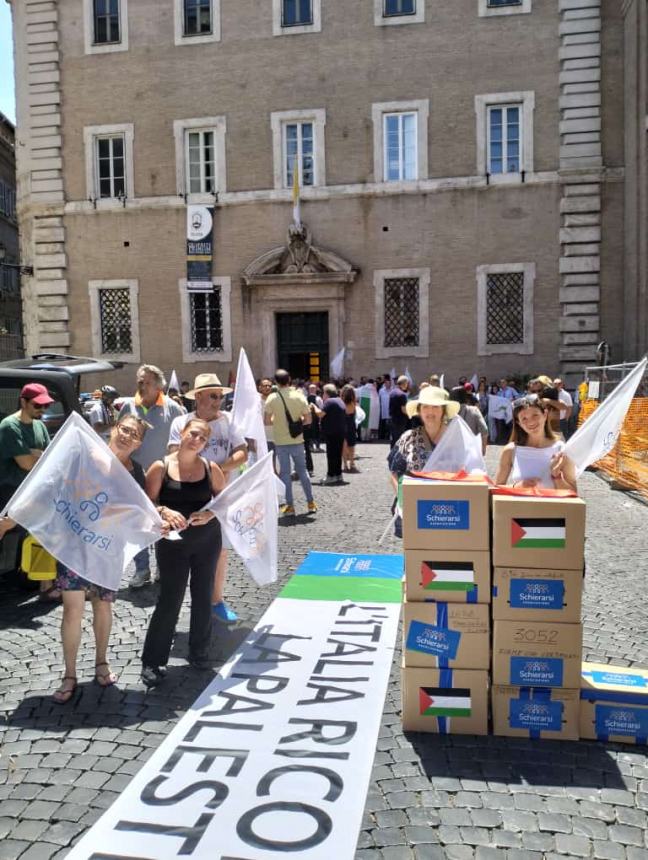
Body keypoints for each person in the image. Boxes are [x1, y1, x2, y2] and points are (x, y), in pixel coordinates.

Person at [49, 414, 152, 703]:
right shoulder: (86, 455)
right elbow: (56, 485)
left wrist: (160, 521)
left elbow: (141, 511)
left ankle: (101, 662)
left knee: (103, 607)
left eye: (134, 434)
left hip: (108, 548)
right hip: (75, 544)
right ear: (114, 429)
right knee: (72, 610)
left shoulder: (135, 472)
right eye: (124, 429)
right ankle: (69, 674)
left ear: (139, 443)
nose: (127, 436)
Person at [141, 418, 226, 687]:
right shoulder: (161, 467)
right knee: (170, 598)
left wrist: (210, 513)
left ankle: (199, 652)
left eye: (203, 438)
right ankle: (153, 661)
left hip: (207, 541)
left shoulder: (211, 468)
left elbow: (224, 501)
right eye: (193, 434)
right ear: (183, 433)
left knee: (203, 596)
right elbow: (147, 503)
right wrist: (164, 510)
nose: (197, 440)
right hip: (172, 544)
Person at [168, 373, 246, 623]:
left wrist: (217, 471)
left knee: (220, 550)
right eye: (213, 395)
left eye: (220, 396)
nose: (218, 401)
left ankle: (216, 600)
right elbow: (172, 454)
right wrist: (203, 473)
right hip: (186, 496)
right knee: (181, 549)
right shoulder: (182, 422)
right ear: (198, 397)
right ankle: (177, 603)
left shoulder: (230, 421)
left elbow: (242, 453)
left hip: (220, 497)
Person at [119, 364, 184, 588]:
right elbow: (119, 437)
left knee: (161, 524)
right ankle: (142, 569)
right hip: (133, 476)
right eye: (140, 381)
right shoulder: (128, 405)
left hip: (163, 478)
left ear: (158, 386)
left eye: (147, 382)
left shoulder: (173, 409)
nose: (142, 385)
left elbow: (181, 443)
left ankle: (162, 569)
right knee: (137, 525)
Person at [0, 382, 57, 600]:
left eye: (45, 406)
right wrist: (38, 455)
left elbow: (50, 457)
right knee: (5, 530)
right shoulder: (9, 426)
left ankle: (45, 584)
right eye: (37, 406)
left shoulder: (39, 425)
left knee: (44, 534)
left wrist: (36, 454)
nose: (42, 411)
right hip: (11, 492)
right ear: (23, 402)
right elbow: (24, 463)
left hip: (35, 491)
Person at [495, 394, 577, 492]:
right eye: (524, 418)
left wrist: (557, 477)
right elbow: (496, 488)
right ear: (519, 423)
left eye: (535, 415)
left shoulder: (561, 449)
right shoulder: (510, 450)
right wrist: (517, 487)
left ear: (545, 415)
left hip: (552, 507)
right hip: (521, 507)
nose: (531, 422)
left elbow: (573, 492)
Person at [264, 369, 316, 516]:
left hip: (280, 441)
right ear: (289, 380)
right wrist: (296, 421)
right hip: (297, 440)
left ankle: (290, 506)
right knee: (303, 472)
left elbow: (267, 421)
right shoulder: (299, 396)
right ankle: (310, 502)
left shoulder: (272, 398)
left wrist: (279, 420)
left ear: (276, 382)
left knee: (285, 474)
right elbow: (308, 420)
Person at [314, 383, 347, 485]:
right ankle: (338, 475)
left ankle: (331, 476)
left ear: (326, 393)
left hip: (332, 432)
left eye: (323, 393)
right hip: (340, 431)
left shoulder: (329, 401)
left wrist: (314, 407)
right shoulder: (340, 400)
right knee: (337, 454)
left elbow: (320, 414)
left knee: (331, 455)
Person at [450, 386, 489, 454]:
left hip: (453, 451)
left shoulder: (448, 413)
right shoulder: (474, 410)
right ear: (465, 397)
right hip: (472, 450)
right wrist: (483, 449)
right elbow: (484, 430)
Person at [341, 384, 360, 473]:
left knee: (344, 445)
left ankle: (345, 465)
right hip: (351, 425)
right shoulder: (353, 403)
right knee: (351, 445)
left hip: (342, 424)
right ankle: (352, 463)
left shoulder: (341, 403)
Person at [389, 375, 410, 447]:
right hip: (400, 420)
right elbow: (403, 410)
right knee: (399, 439)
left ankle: (392, 455)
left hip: (392, 419)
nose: (407, 385)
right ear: (404, 383)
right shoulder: (402, 395)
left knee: (394, 439)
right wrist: (410, 414)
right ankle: (397, 456)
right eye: (407, 383)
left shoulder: (392, 392)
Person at [378, 375, 392, 440]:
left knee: (389, 425)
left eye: (389, 384)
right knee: (382, 424)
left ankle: (388, 436)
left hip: (390, 410)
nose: (388, 385)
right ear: (385, 384)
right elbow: (379, 399)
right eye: (386, 383)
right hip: (383, 410)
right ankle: (381, 436)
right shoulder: (381, 391)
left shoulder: (392, 391)